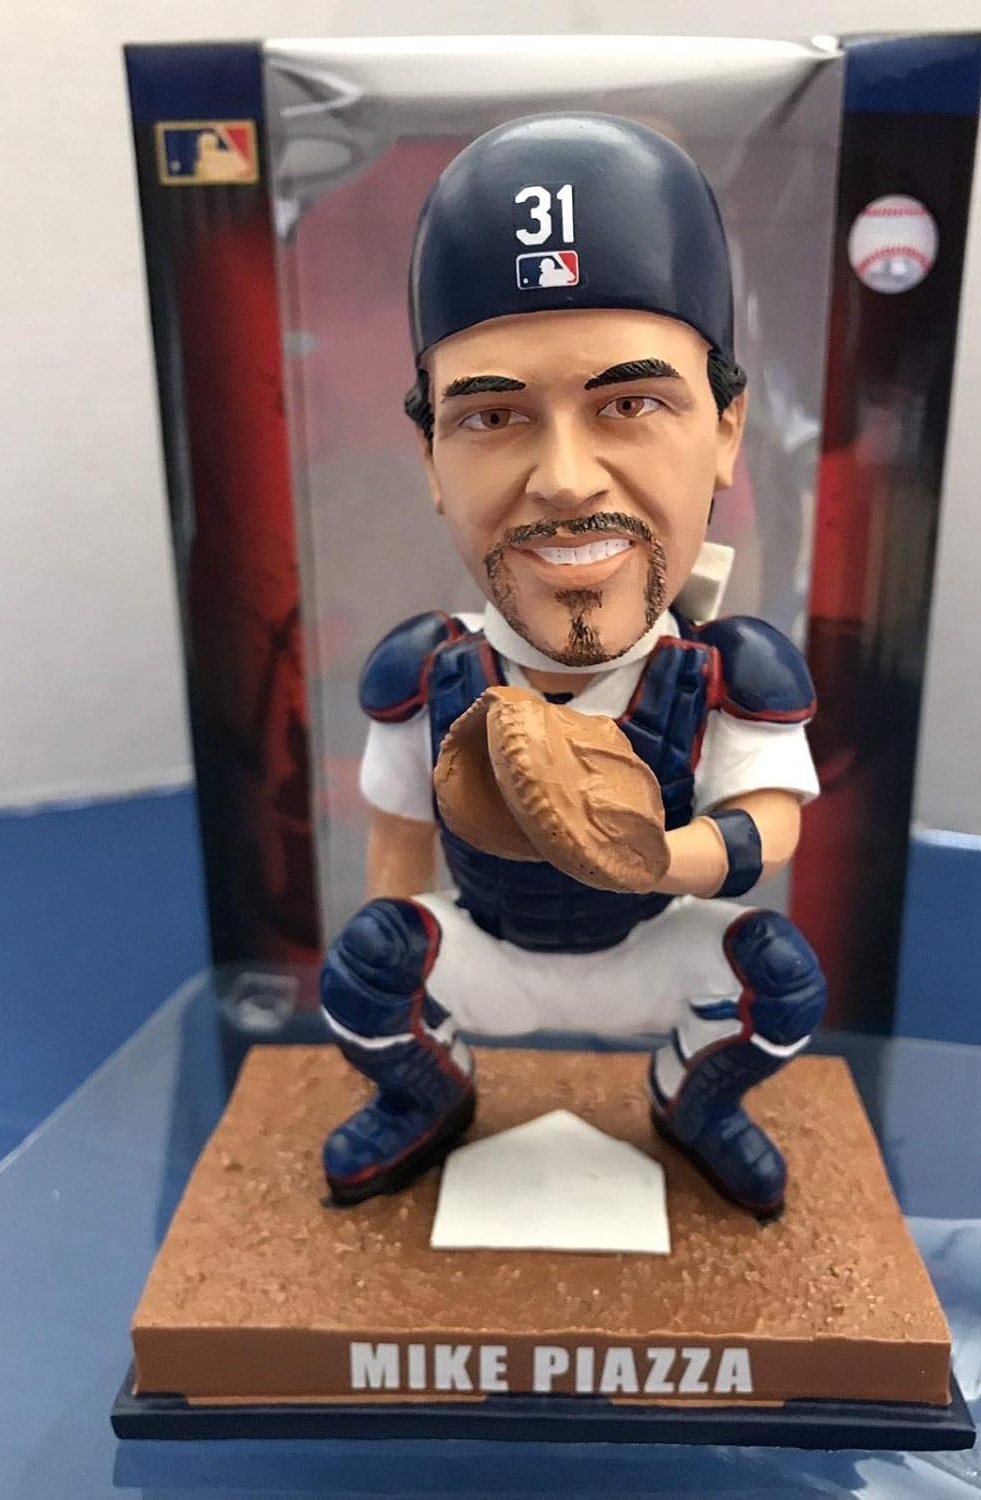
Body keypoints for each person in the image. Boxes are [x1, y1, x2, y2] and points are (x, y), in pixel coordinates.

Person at [319, 114, 826, 1220]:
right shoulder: (427, 671)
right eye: (493, 415)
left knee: (776, 979)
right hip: (489, 951)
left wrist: (651, 857)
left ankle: (696, 1104)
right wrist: (390, 963)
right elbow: (399, 848)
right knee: (361, 967)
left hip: (651, 947)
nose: (564, 477)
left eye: (630, 404)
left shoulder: (727, 670)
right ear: (431, 457)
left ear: (726, 429)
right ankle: (427, 1099)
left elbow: (768, 828)